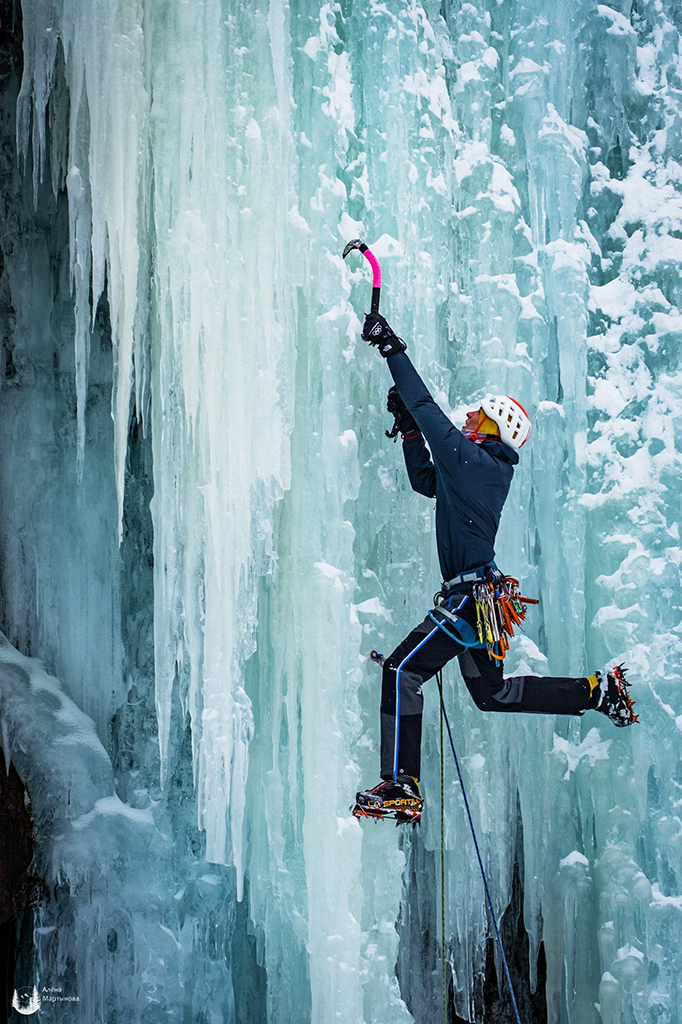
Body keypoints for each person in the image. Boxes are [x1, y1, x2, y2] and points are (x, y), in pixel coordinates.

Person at [353, 313, 637, 823]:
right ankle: (596, 691)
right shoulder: (474, 472)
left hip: (469, 601)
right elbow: (425, 481)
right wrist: (412, 434)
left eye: (477, 415)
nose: (467, 417)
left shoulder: (478, 464)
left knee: (402, 671)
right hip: (480, 600)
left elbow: (427, 407)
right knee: (494, 694)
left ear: (495, 427)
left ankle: (402, 784)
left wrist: (392, 349)